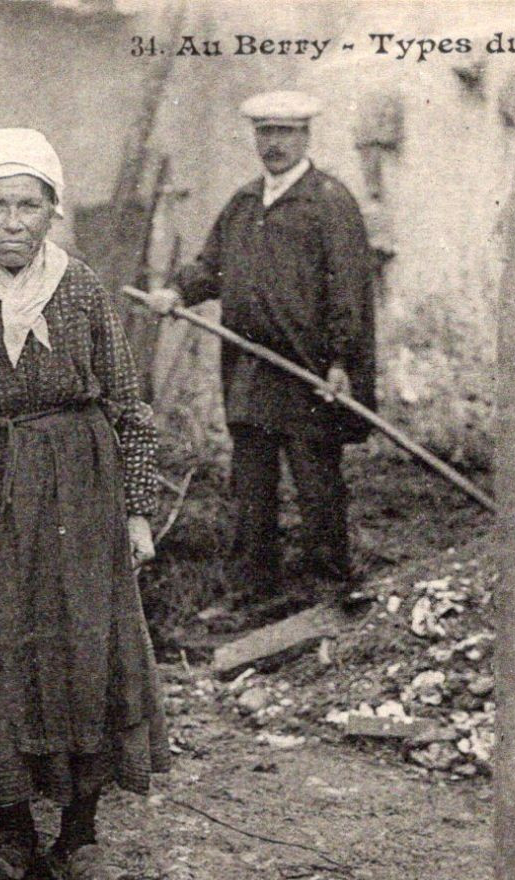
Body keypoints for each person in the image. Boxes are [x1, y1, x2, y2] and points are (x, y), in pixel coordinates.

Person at [0, 128, 168, 880]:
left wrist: (135, 511)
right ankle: (13, 829)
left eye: (29, 205)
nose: (13, 221)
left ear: (52, 212)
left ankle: (80, 834)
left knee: (85, 650)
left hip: (78, 493)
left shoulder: (79, 287)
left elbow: (126, 406)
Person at [145, 90, 377, 609]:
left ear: (305, 137)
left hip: (307, 370)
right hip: (250, 368)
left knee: (316, 480)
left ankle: (328, 587)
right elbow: (211, 267)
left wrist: (340, 361)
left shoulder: (328, 202)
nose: (273, 143)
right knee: (251, 482)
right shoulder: (245, 203)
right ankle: (252, 588)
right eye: (264, 132)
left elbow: (348, 288)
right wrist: (179, 292)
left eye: (284, 132)